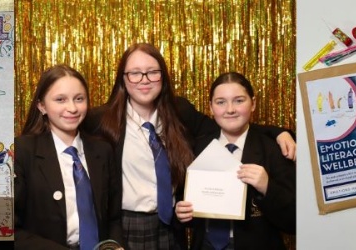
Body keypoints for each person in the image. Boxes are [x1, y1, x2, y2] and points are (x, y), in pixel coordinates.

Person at [81, 43, 295, 249]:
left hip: (172, 228)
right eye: (135, 73)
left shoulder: (179, 111)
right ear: (123, 79)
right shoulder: (101, 120)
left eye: (152, 72)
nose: (144, 80)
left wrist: (278, 133)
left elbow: (227, 124)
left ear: (162, 76)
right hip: (128, 226)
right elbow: (67, 125)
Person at [175, 72, 296, 250]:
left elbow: (293, 222)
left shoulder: (274, 150)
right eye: (221, 102)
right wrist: (181, 212)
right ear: (210, 107)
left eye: (239, 101)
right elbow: (183, 198)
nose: (230, 109)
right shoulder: (197, 148)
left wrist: (266, 187)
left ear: (253, 103)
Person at [14, 65, 123, 250]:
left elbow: (114, 217)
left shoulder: (102, 151)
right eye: (60, 100)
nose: (72, 108)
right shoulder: (22, 151)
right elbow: (11, 229)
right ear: (42, 106)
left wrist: (114, 246)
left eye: (79, 99)